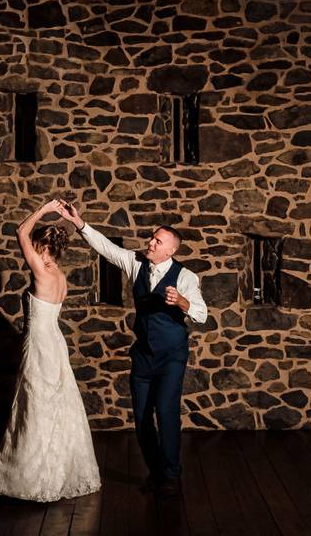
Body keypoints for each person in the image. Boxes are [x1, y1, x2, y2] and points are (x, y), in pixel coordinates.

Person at [57, 202, 207, 498]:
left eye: (157, 241)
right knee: (141, 419)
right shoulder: (135, 262)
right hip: (143, 357)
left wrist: (181, 302)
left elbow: (201, 314)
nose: (150, 242)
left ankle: (171, 475)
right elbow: (105, 248)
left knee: (166, 413)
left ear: (170, 250)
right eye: (152, 238)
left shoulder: (186, 277)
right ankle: (155, 471)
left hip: (171, 358)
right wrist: (79, 223)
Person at [0, 199, 101, 502]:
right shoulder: (60, 276)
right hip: (55, 340)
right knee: (56, 404)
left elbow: (19, 232)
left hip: (39, 341)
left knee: (34, 403)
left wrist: (44, 209)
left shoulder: (41, 268)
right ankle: (57, 471)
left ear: (41, 246)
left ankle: (30, 478)